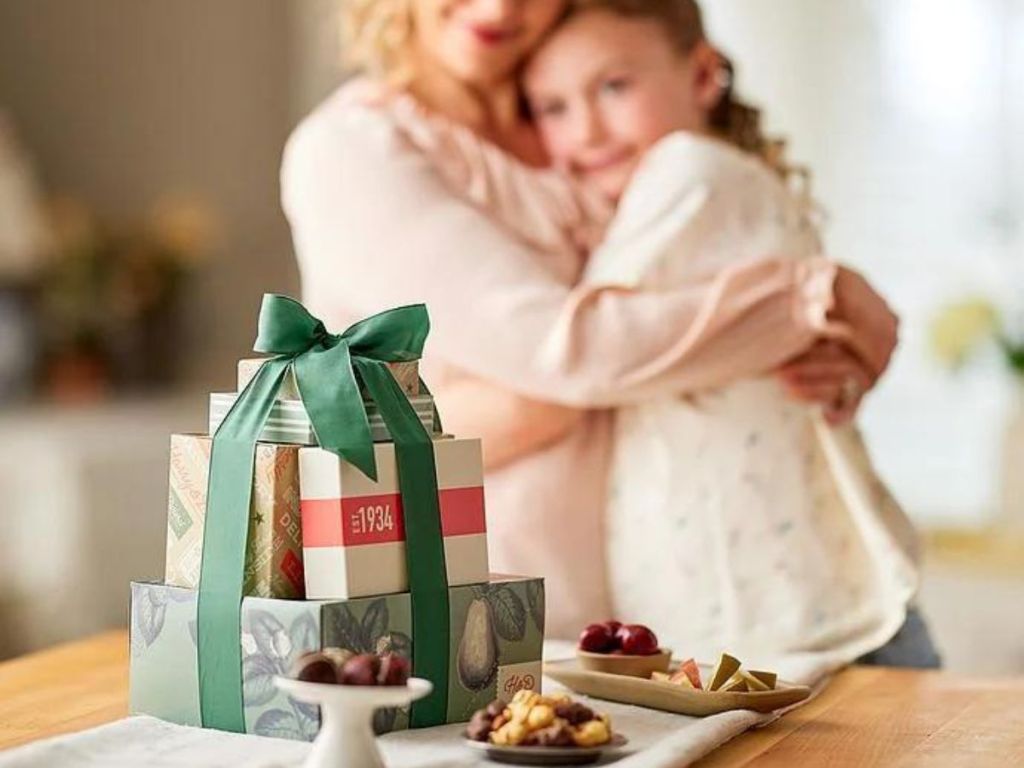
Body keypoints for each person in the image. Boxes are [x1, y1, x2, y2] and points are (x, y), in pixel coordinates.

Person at [281, 0, 900, 641]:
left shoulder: (571, 116)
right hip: (467, 610)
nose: (499, 8)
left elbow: (689, 294)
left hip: (656, 615)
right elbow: (567, 355)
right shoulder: (358, 149)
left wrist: (817, 356)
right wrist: (806, 303)